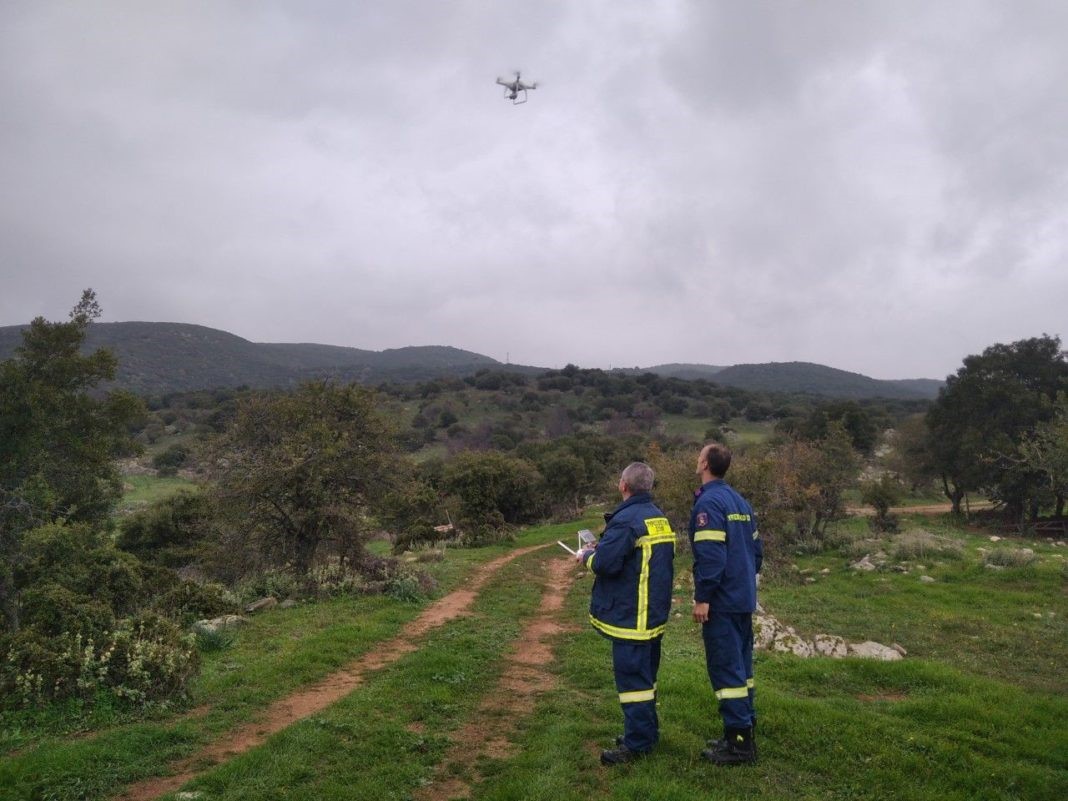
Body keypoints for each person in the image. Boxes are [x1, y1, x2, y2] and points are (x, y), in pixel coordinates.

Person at [577, 461, 676, 766]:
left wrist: (587, 557)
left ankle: (637, 745)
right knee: (646, 681)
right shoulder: (658, 518)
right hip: (653, 615)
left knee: (633, 685)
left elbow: (606, 564)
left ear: (623, 485)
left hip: (632, 617)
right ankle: (645, 733)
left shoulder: (626, 521)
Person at [689, 442, 762, 765]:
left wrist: (703, 597)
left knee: (726, 669)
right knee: (743, 669)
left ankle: (739, 746)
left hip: (722, 601)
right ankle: (746, 726)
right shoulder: (741, 501)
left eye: (699, 455)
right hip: (743, 597)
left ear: (705, 464)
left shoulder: (709, 503)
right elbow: (756, 553)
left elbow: (711, 556)